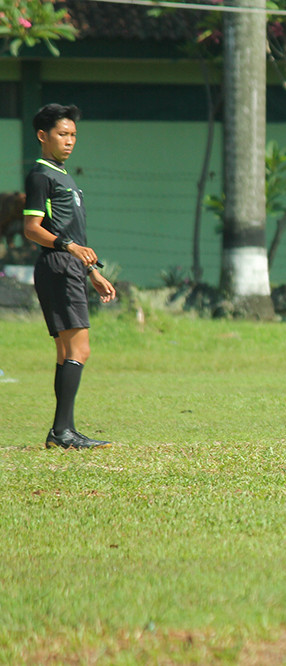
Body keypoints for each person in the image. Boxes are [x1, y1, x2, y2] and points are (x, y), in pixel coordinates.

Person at [23, 103, 116, 450]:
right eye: (63, 134)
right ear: (42, 136)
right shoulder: (40, 176)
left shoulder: (65, 176)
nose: (70, 140)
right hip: (58, 266)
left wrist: (92, 270)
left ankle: (64, 431)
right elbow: (32, 229)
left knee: (67, 351)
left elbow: (70, 229)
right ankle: (62, 432)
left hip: (71, 267)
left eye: (73, 135)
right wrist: (70, 248)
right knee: (80, 349)